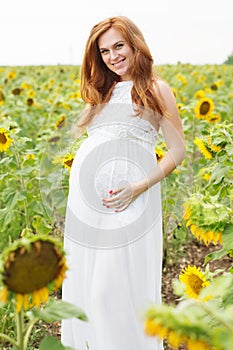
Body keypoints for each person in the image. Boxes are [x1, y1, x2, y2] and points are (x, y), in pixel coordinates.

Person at [61, 16, 186, 350]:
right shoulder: (102, 91)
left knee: (110, 290)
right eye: (104, 51)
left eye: (119, 46)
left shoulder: (156, 89)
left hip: (131, 201)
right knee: (88, 289)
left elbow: (178, 150)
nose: (113, 56)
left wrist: (139, 186)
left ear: (135, 44)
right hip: (87, 206)